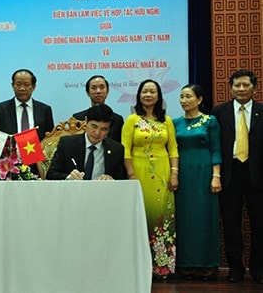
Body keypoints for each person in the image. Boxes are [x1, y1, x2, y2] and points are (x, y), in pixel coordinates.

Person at [121, 79, 179, 279]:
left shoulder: (167, 121)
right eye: (144, 91)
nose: (148, 95)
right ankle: (140, 267)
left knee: (162, 217)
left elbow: (173, 148)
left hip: (162, 174)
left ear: (158, 96)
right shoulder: (131, 120)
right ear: (139, 95)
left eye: (152, 91)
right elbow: (125, 149)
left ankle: (163, 267)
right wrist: (131, 175)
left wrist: (174, 173)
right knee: (141, 217)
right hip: (139, 171)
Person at [211, 69, 263, 284]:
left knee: (259, 225)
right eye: (237, 85)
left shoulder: (262, 111)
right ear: (230, 87)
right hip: (229, 174)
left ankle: (259, 269)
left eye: (246, 85)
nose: (241, 89)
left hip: (257, 176)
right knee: (231, 225)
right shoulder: (219, 112)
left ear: (254, 88)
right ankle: (235, 269)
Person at [173, 84, 222, 280]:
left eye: (188, 96)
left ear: (199, 100)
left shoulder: (210, 121)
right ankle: (185, 264)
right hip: (182, 174)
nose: (184, 100)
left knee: (204, 217)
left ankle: (207, 264)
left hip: (204, 173)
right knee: (184, 219)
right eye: (181, 96)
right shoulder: (174, 122)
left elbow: (216, 149)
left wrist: (216, 175)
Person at [0, 69, 54, 172]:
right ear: (12, 85)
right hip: (9, 166)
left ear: (33, 87)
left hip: (37, 166)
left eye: (26, 84)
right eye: (18, 84)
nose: (22, 88)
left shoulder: (45, 110)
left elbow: (49, 140)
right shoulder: (1, 109)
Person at [46, 104, 125, 180]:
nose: (97, 133)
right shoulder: (67, 144)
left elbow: (123, 180)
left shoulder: (117, 149)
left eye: (103, 129)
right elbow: (51, 174)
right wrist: (69, 177)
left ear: (109, 130)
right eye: (94, 126)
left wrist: (112, 179)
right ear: (86, 122)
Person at [72, 75, 124, 142]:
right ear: (88, 92)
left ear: (107, 91)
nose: (98, 91)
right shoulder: (78, 118)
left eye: (102, 87)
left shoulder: (118, 120)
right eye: (94, 88)